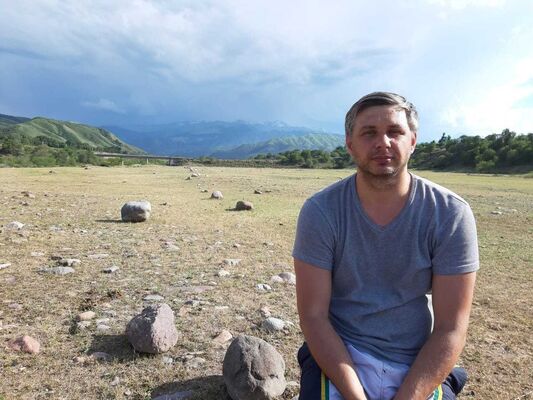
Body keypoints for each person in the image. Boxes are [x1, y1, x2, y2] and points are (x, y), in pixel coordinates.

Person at [293, 92, 479, 400]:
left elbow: (450, 327)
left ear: (413, 141)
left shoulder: (450, 214)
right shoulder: (321, 211)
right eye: (369, 133)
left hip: (415, 361)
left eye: (395, 131)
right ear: (350, 144)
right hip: (342, 355)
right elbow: (314, 316)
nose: (383, 142)